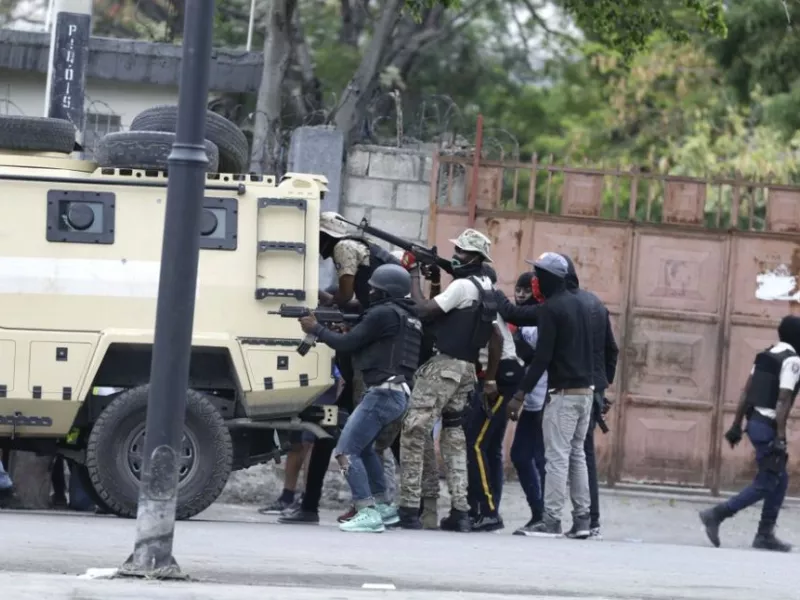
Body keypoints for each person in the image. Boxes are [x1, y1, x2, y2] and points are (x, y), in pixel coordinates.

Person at [298, 263, 422, 532]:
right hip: (396, 393)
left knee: (344, 452)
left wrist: (316, 328)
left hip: (382, 394)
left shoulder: (383, 313)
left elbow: (346, 344)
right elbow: (369, 346)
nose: (370, 293)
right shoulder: (406, 317)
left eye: (375, 289)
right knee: (364, 449)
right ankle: (383, 506)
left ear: (386, 292)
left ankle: (366, 510)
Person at [397, 228, 502, 532]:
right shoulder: (487, 288)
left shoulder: (462, 286)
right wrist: (490, 378)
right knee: (454, 439)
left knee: (413, 430)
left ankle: (409, 508)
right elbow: (494, 336)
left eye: (461, 252)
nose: (455, 256)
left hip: (443, 367)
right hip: (466, 371)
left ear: (475, 257)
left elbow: (423, 310)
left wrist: (413, 273)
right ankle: (461, 511)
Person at [506, 252, 594, 538]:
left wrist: (520, 394)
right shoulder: (582, 304)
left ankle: (551, 519)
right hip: (585, 392)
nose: (535, 280)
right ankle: (582, 520)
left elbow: (541, 358)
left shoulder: (552, 308)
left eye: (539, 275)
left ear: (550, 279)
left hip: (563, 393)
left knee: (556, 458)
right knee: (576, 455)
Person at [699, 315, 800, 552]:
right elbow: (783, 401)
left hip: (755, 422)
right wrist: (780, 438)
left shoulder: (765, 355)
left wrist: (736, 425)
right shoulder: (792, 360)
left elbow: (746, 392)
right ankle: (717, 514)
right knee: (767, 481)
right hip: (769, 426)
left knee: (779, 479)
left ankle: (765, 534)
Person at [559, 254, 619, 539]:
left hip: (571, 387)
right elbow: (612, 350)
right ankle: (589, 519)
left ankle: (583, 518)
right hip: (592, 387)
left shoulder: (565, 304)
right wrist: (603, 384)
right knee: (582, 453)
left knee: (573, 454)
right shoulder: (595, 303)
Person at [466, 264, 524, 532]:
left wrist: (489, 381)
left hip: (501, 377)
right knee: (487, 447)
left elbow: (497, 339)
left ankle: (488, 511)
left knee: (476, 444)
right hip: (499, 375)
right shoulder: (483, 300)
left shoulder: (484, 301)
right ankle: (483, 508)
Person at [259, 368, 342, 515]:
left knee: (310, 442)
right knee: (295, 443)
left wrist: (339, 398)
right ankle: (286, 497)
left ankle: (305, 498)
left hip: (327, 382)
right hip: (303, 380)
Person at [508, 277, 549, 535]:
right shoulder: (523, 318)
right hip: (533, 398)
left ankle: (544, 515)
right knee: (524, 456)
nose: (522, 295)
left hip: (543, 397)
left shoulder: (541, 317)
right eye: (518, 290)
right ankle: (540, 513)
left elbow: (539, 357)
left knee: (535, 457)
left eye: (527, 290)